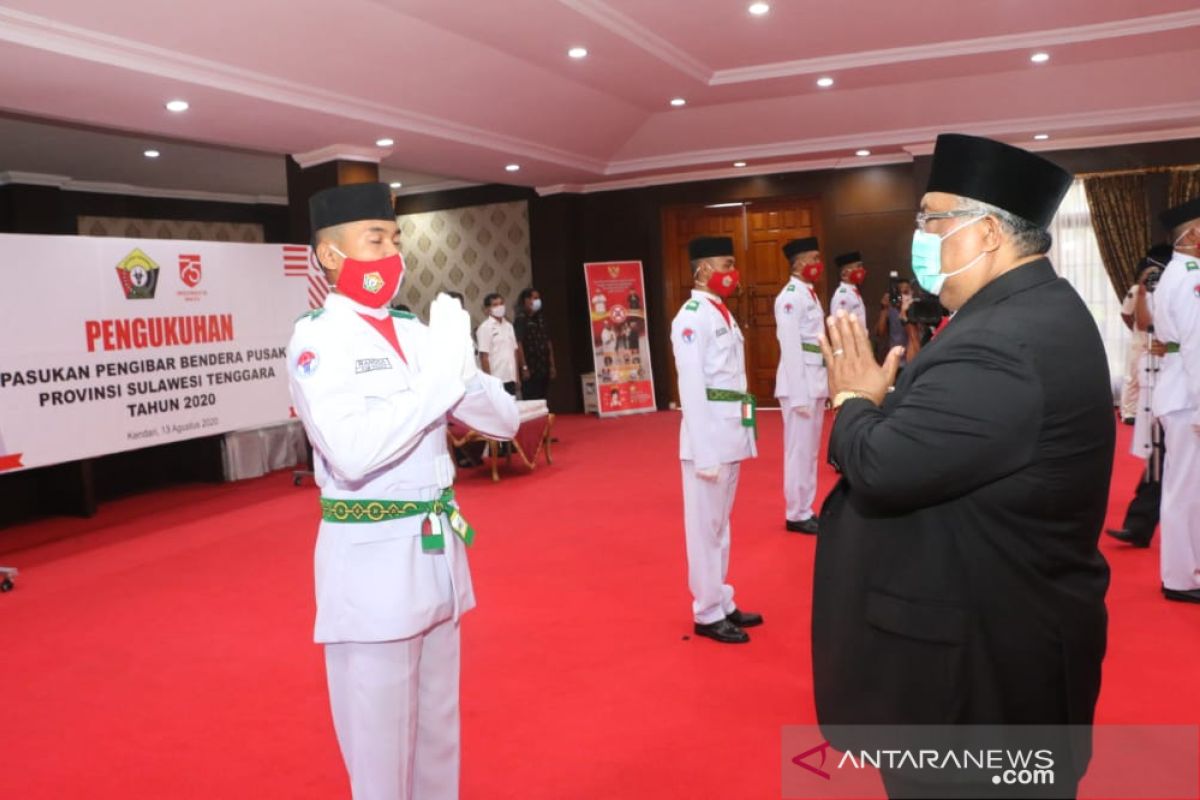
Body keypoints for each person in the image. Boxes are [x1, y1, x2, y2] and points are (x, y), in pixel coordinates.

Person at [813, 134, 1113, 798]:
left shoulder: (1001, 342)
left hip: (979, 671)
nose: (918, 235)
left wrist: (854, 398)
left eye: (930, 218)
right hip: (1000, 627)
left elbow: (881, 466)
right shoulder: (1028, 310)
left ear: (984, 235)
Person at [286, 182, 519, 800]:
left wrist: (461, 364)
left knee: (439, 733)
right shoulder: (317, 339)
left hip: (437, 552)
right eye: (376, 239)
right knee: (380, 750)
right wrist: (438, 384)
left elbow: (503, 423)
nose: (394, 253)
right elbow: (353, 451)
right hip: (372, 565)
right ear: (333, 256)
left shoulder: (417, 333)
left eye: (395, 239)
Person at [670, 236, 762, 644]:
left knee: (721, 525)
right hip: (708, 438)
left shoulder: (721, 312)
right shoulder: (691, 316)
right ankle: (706, 612)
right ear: (703, 270)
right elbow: (691, 387)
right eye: (725, 264)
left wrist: (744, 434)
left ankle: (721, 598)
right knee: (705, 529)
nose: (732, 272)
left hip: (729, 432)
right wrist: (705, 452)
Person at [1150, 196, 1200, 603]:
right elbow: (1197, 347)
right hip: (1189, 397)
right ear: (1194, 234)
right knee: (1186, 490)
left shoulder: (1175, 273)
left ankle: (1188, 571)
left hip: (1182, 391)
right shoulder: (1191, 276)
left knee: (1188, 489)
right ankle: (1181, 578)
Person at [1107, 244, 1173, 548]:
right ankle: (1139, 524)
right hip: (1180, 390)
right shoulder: (1173, 286)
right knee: (1160, 460)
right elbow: (1145, 325)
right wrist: (1144, 295)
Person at [773, 236, 827, 535]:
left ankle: (805, 507)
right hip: (800, 384)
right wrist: (799, 396)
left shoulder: (809, 294)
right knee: (799, 451)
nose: (818, 265)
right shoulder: (790, 297)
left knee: (810, 451)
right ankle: (796, 512)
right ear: (799, 263)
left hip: (814, 380)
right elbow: (791, 347)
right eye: (814, 259)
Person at [476, 293, 523, 396]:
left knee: (511, 409)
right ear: (488, 309)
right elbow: (484, 357)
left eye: (501, 303)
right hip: (496, 379)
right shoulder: (485, 328)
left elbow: (514, 352)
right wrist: (489, 382)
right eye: (495, 305)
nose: (500, 307)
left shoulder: (509, 326)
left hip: (510, 377)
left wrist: (517, 377)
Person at [514, 287, 556, 401]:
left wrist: (552, 365)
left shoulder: (541, 319)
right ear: (526, 300)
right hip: (530, 367)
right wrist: (524, 367)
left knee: (543, 398)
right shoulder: (521, 320)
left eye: (539, 298)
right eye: (535, 298)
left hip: (544, 366)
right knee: (531, 399)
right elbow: (518, 344)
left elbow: (548, 342)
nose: (538, 301)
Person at [874, 274, 921, 367]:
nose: (903, 296)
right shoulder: (891, 309)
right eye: (900, 293)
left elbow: (916, 336)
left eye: (906, 292)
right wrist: (884, 309)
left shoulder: (918, 309)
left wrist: (906, 315)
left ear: (912, 292)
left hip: (913, 361)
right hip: (895, 362)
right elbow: (880, 333)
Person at [830, 251, 867, 331]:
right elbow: (838, 324)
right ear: (844, 274)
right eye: (858, 267)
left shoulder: (854, 291)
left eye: (861, 266)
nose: (861, 270)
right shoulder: (842, 295)